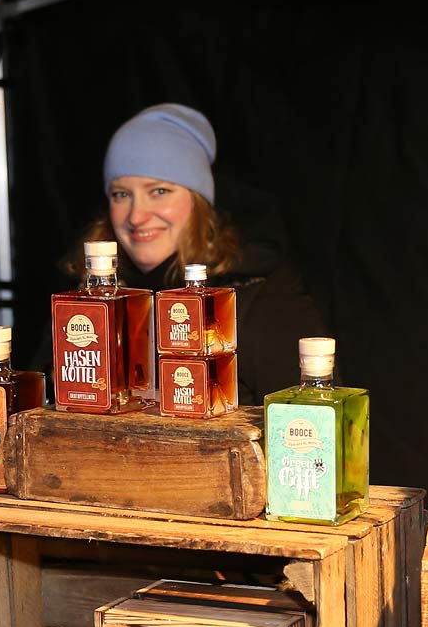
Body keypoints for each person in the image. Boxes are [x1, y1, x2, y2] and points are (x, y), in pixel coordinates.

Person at [38, 104, 328, 405]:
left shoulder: (255, 297)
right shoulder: (84, 303)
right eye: (121, 194)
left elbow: (310, 421)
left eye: (159, 191)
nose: (136, 216)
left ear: (198, 203)